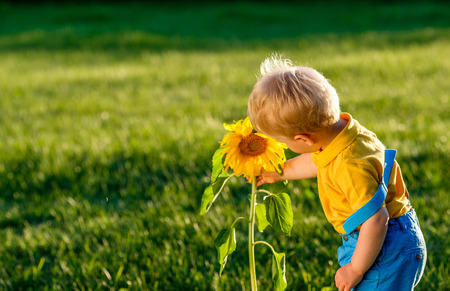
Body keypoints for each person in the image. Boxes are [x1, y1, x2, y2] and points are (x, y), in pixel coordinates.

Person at [247, 55, 427, 290]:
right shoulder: (340, 134)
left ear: (303, 138)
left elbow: (376, 219)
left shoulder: (350, 165)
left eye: (283, 142)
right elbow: (318, 160)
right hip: (386, 237)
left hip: (384, 244)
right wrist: (280, 172)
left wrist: (355, 268)